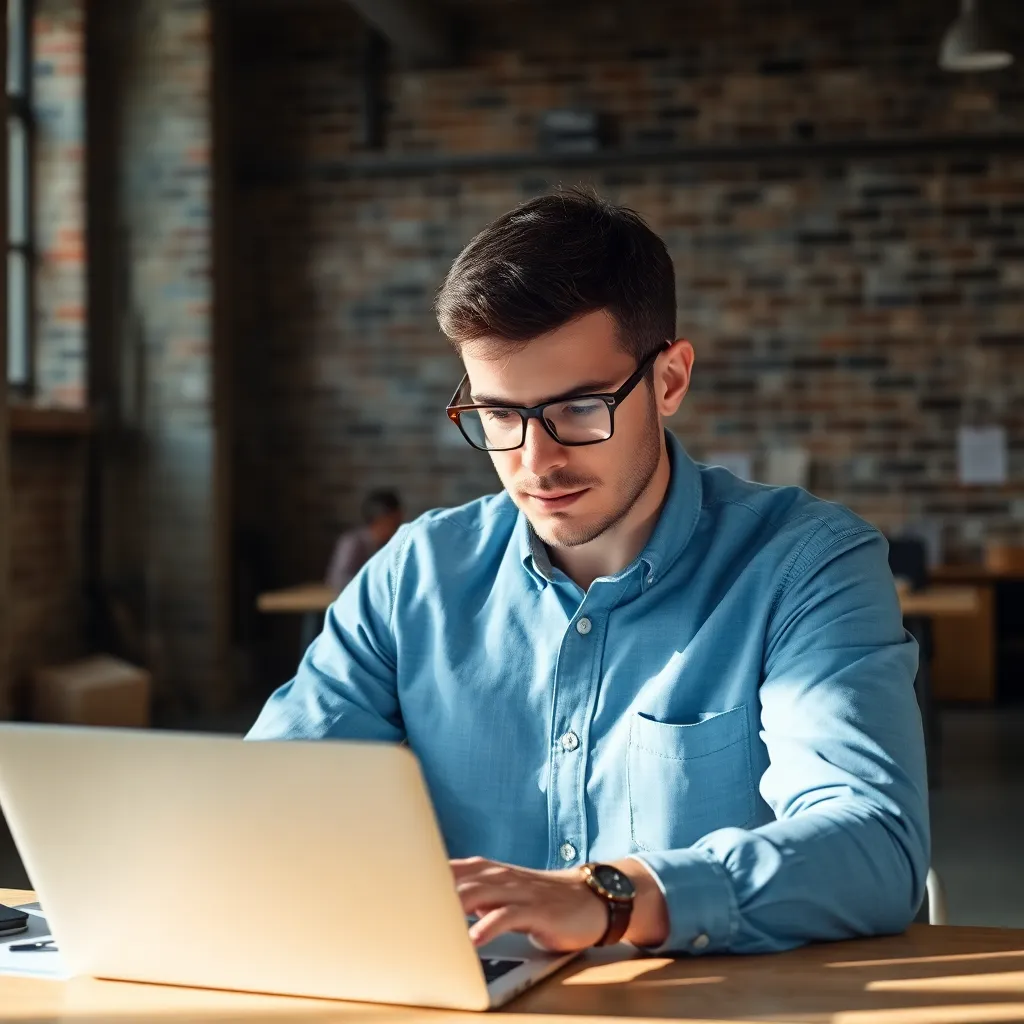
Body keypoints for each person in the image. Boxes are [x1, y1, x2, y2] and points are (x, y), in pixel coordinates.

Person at [250, 189, 928, 957]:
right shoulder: (414, 579)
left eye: (577, 408)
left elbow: (875, 847)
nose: (536, 463)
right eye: (500, 415)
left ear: (669, 380)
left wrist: (610, 898)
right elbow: (270, 807)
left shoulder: (807, 566)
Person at [324, 489, 403, 592]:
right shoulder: (353, 543)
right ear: (380, 519)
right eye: (395, 522)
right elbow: (338, 580)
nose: (399, 526)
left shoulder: (391, 543)